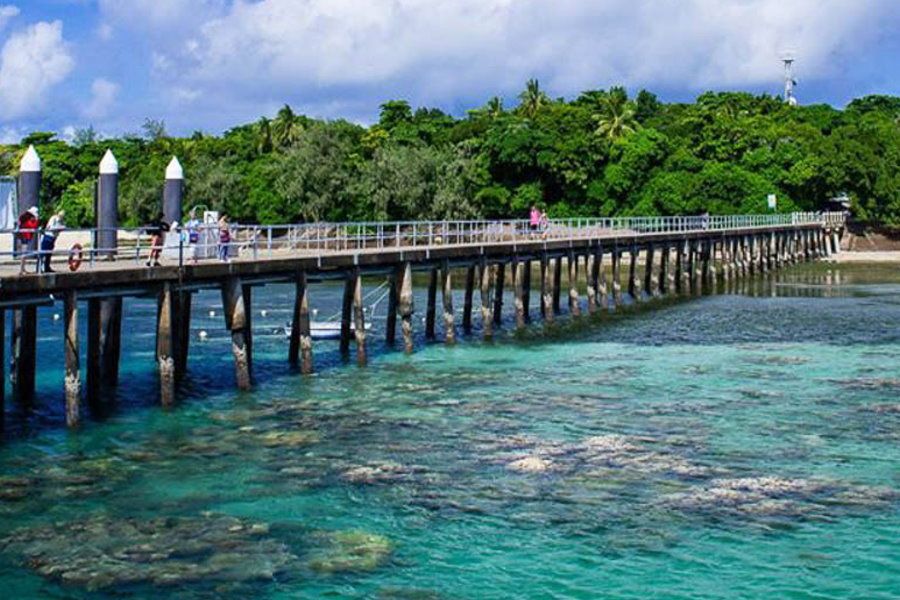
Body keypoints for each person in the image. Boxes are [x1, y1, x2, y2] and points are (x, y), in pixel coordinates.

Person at [16, 206, 39, 274]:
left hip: (23, 237)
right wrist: (36, 220)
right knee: (24, 254)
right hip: (25, 237)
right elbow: (33, 227)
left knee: (24, 254)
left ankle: (23, 269)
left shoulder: (23, 218)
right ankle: (21, 270)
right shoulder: (28, 220)